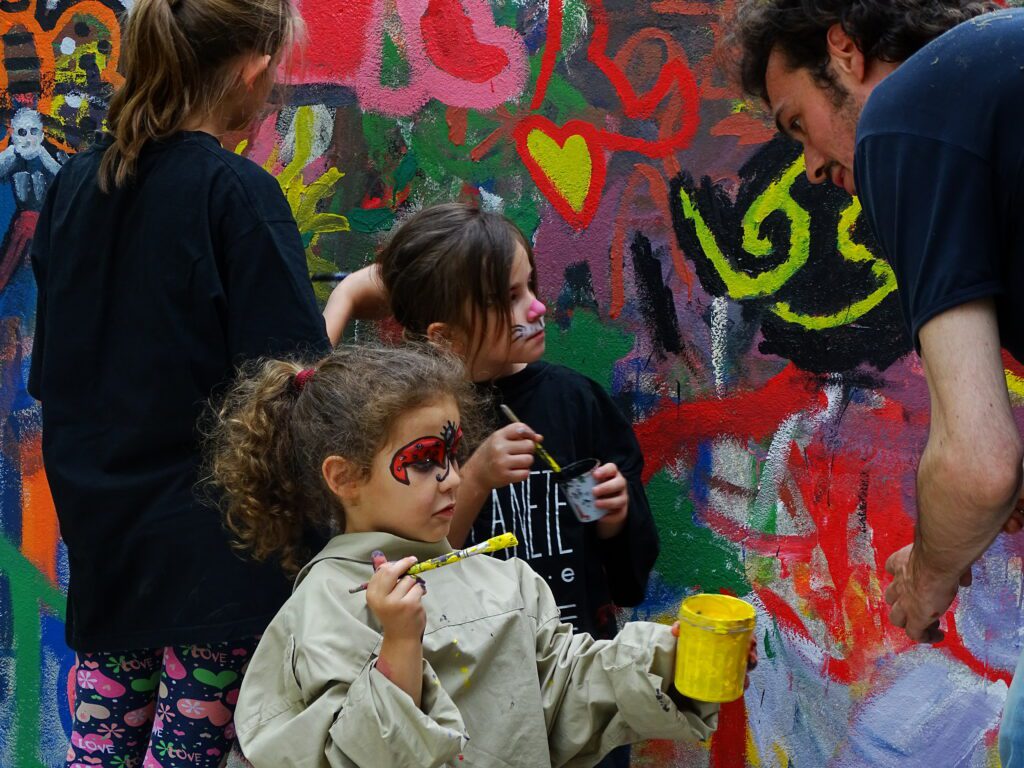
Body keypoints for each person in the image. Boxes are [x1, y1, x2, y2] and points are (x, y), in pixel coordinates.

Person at [27, 0, 330, 762]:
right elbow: (295, 389)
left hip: (108, 558)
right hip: (222, 568)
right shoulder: (235, 195)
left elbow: (60, 377)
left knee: (97, 757)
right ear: (252, 70)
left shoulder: (71, 190)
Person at [725, 0, 1024, 763]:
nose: (813, 168)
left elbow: (978, 463)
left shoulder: (902, 115)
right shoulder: (993, 77)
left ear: (847, 54)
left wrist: (925, 581)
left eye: (799, 125)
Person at [209, 343, 729, 768]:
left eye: (453, 456)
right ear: (344, 477)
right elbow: (343, 756)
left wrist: (669, 661)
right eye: (423, 462)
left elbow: (565, 689)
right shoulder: (325, 609)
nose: (453, 477)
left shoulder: (504, 581)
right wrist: (398, 647)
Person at [326, 204, 660, 768]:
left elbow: (629, 576)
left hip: (578, 689)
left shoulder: (576, 402)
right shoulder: (409, 426)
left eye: (529, 285)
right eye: (508, 298)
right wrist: (475, 477)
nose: (536, 307)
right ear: (443, 337)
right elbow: (402, 566)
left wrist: (616, 517)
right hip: (472, 704)